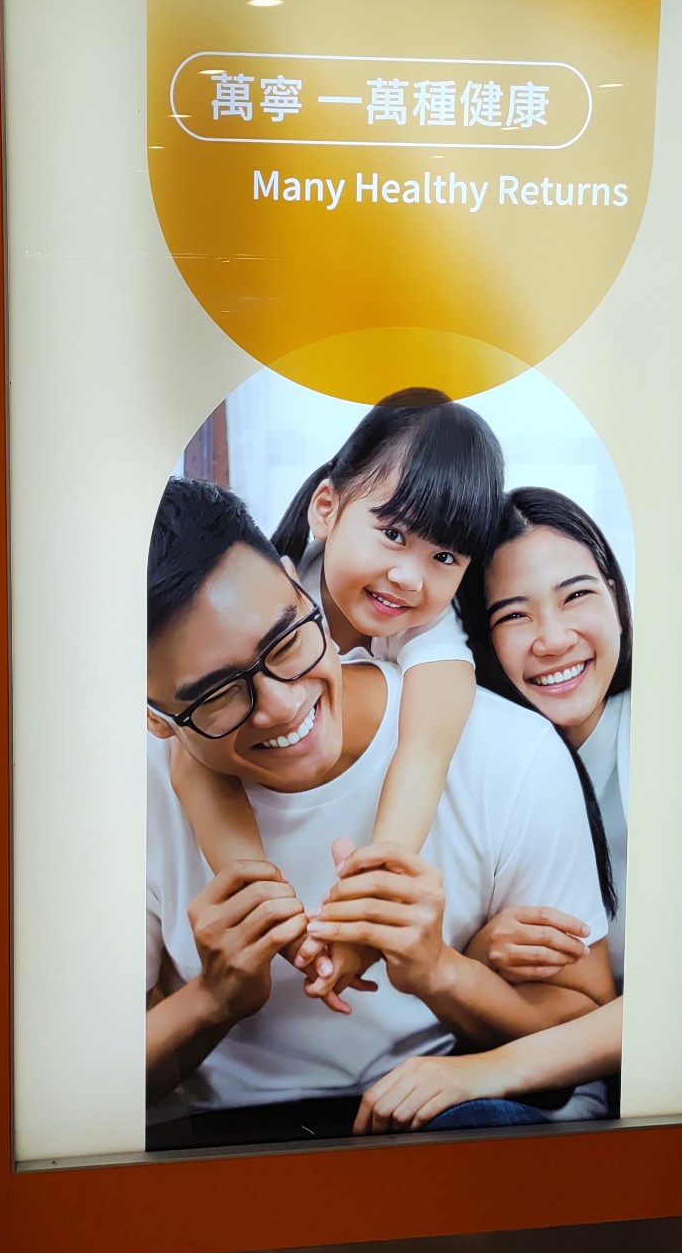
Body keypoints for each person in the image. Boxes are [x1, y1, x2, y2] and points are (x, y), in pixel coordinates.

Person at [144, 476, 614, 1145]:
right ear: (156, 718)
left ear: (298, 585)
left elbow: (589, 1029)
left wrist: (439, 972)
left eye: (285, 643)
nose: (283, 706)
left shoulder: (508, 750)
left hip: (450, 1126)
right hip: (221, 1142)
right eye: (217, 695)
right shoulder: (130, 790)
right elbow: (77, 1094)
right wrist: (213, 1000)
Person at [172, 391, 503, 1013]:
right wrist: (286, 932)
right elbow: (195, 763)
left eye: (444, 556)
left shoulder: (431, 631)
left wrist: (366, 911)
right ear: (326, 509)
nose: (410, 577)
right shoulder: (271, 590)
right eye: (393, 533)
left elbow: (425, 751)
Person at [355, 486, 633, 1133]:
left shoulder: (662, 743)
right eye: (514, 616)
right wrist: (481, 948)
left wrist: (481, 1073)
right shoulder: (480, 760)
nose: (553, 639)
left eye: (576, 596)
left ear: (618, 600)